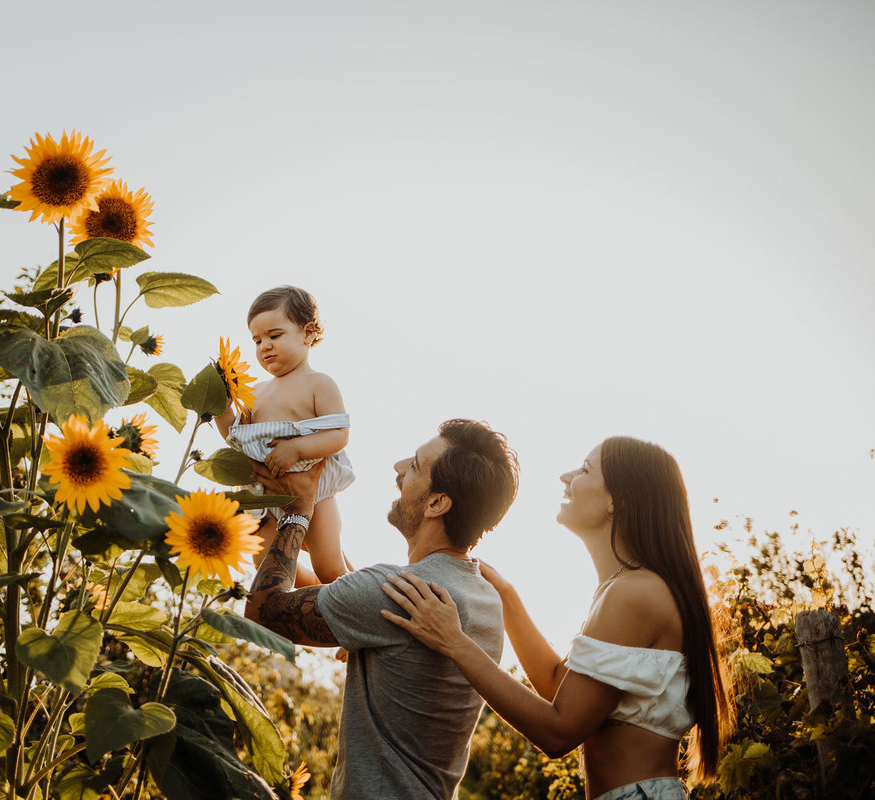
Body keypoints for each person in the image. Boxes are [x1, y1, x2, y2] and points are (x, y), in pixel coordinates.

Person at [381, 437, 733, 800]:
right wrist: (507, 599)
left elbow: (559, 732)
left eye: (584, 469)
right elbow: (558, 686)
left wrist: (455, 642)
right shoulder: (626, 588)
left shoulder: (634, 592)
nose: (566, 477)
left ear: (617, 501)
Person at [245, 419, 519, 799]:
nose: (399, 467)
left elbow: (263, 612)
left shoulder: (397, 591)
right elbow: (352, 591)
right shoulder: (482, 597)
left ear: (437, 503)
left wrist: (296, 514)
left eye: (417, 466)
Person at [216, 286, 353, 585]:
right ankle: (315, 591)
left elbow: (339, 434)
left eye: (274, 336)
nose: (265, 346)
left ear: (307, 333)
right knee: (264, 563)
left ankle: (356, 597)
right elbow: (235, 437)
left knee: (330, 566)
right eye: (257, 340)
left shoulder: (318, 383)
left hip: (315, 492)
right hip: (266, 495)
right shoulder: (257, 392)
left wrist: (298, 449)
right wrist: (221, 408)